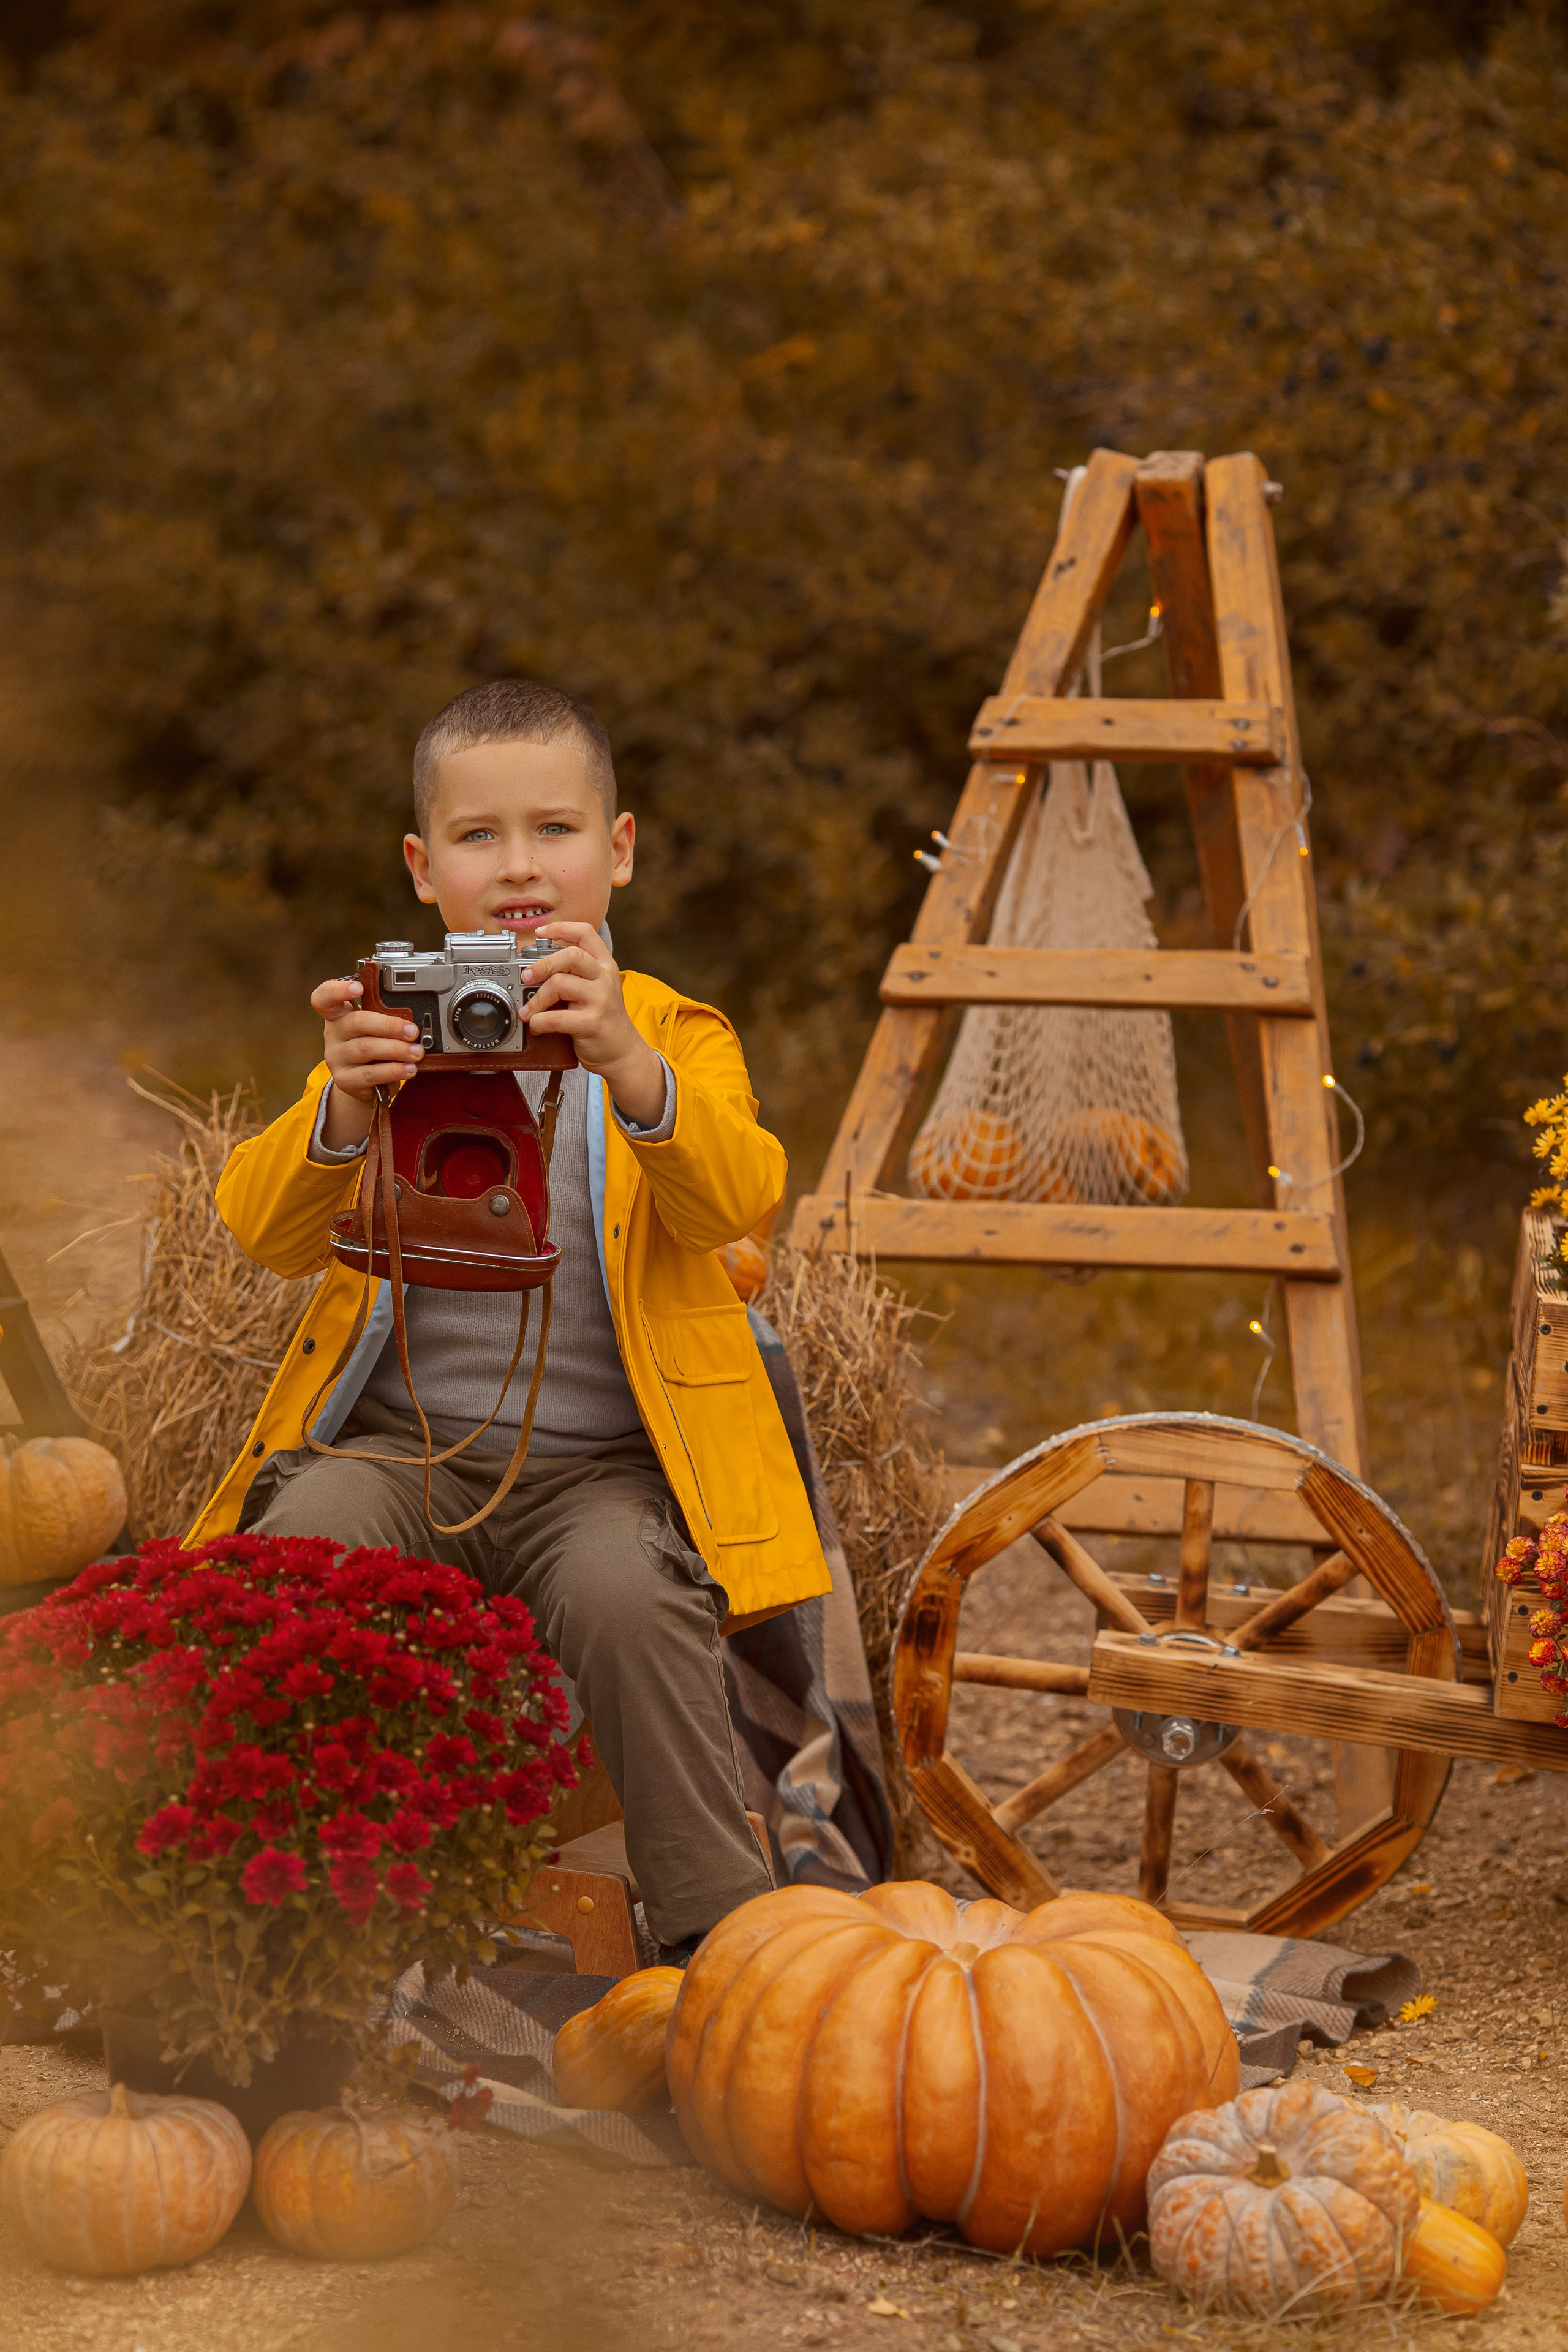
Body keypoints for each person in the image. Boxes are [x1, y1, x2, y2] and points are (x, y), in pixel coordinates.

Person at [187, 677, 831, 1961]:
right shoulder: (399, 1026)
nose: (522, 867)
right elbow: (257, 1232)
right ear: (425, 872)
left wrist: (628, 1068)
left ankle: (725, 1947)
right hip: (400, 1453)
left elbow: (740, 1198)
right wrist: (342, 1109)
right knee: (305, 1543)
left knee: (629, 1602)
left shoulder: (671, 1036)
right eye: (480, 838)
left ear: (620, 850)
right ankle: (280, 1916)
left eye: (556, 830)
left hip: (599, 1474)